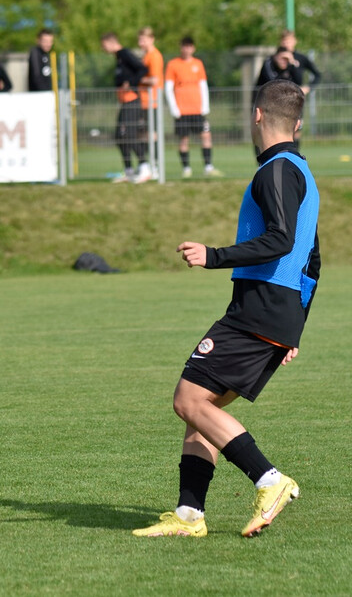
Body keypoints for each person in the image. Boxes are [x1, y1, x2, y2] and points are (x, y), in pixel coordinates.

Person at [133, 79, 319, 539]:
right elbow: (313, 257)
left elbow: (282, 240)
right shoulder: (300, 171)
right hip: (277, 310)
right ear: (296, 124)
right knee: (205, 407)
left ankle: (269, 480)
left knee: (188, 399)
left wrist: (213, 255)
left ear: (256, 115)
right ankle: (189, 515)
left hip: (260, 309)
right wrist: (297, 325)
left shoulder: (275, 171)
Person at [165, 36, 221, 178]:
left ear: (193, 48)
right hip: (182, 111)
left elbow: (203, 86)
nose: (187, 49)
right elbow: (168, 88)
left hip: (197, 110)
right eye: (184, 46)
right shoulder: (173, 64)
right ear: (181, 47)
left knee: (206, 136)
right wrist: (174, 108)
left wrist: (205, 106)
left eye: (189, 46)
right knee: (184, 140)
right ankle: (186, 169)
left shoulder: (198, 64)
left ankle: (208, 166)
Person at [101, 32, 151, 183]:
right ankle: (128, 170)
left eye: (104, 46)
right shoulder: (118, 58)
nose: (104, 49)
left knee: (129, 134)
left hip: (133, 101)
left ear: (110, 43)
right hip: (124, 102)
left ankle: (145, 166)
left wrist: (131, 83)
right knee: (120, 136)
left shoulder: (125, 53)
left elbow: (142, 69)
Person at [278, 30, 322, 94]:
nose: (286, 43)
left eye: (289, 41)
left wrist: (308, 88)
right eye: (284, 41)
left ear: (295, 41)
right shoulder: (273, 59)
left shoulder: (301, 58)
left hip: (296, 95)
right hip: (279, 95)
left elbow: (317, 74)